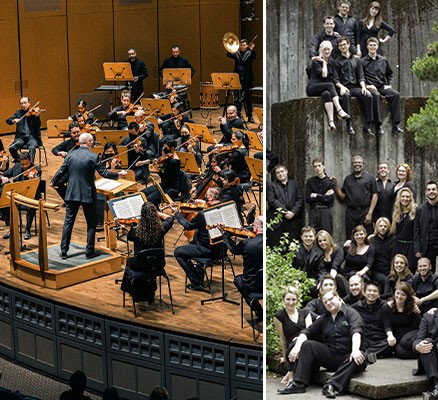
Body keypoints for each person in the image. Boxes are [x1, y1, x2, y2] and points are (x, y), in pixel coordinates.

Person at [277, 289, 367, 397]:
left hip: (349, 356)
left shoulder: (351, 313)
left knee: (358, 357)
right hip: (331, 355)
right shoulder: (324, 318)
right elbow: (308, 331)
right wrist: (297, 346)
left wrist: (355, 350)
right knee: (307, 344)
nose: (328, 303)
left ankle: (332, 385)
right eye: (325, 302)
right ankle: (298, 383)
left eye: (331, 299)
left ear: (338, 297)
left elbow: (356, 331)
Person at [51, 133, 127, 259]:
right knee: (91, 223)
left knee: (68, 223)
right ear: (90, 142)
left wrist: (54, 181)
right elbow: (104, 173)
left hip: (72, 194)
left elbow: (61, 171)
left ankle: (64, 251)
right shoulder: (93, 157)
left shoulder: (70, 155)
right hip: (88, 195)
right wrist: (118, 174)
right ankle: (89, 251)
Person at [122, 202, 173, 304]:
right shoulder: (161, 228)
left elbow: (128, 235)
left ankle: (135, 293)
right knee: (147, 265)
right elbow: (170, 218)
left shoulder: (136, 231)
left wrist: (123, 228)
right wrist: (156, 213)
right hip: (157, 264)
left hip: (140, 264)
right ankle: (149, 293)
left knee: (129, 261)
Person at [172, 187, 222, 290]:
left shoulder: (204, 215)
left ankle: (196, 281)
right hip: (221, 249)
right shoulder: (222, 208)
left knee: (178, 252)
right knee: (195, 238)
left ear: (211, 198)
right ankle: (199, 272)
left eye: (207, 196)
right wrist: (203, 202)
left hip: (206, 249)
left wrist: (176, 214)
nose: (205, 197)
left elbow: (188, 226)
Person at [223, 215, 263, 321]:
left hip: (251, 284)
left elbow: (234, 250)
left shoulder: (247, 244)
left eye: (253, 225)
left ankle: (258, 309)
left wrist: (225, 236)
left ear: (256, 229)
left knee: (237, 280)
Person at [361, 37, 403, 134]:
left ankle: (395, 125)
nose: (372, 47)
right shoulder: (362, 62)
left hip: (382, 86)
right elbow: (361, 76)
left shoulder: (383, 60)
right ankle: (378, 125)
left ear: (377, 46)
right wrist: (367, 85)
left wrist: (388, 84)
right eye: (370, 45)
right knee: (375, 96)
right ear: (367, 47)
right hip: (370, 86)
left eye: (374, 45)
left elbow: (390, 74)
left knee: (396, 95)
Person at [274, 287, 314, 387]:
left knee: (300, 341)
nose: (291, 302)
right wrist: (284, 356)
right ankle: (291, 374)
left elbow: (310, 332)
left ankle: (290, 374)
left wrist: (300, 339)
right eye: (288, 299)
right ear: (283, 300)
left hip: (305, 345)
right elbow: (282, 338)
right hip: (291, 348)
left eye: (293, 299)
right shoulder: (279, 316)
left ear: (297, 300)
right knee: (294, 343)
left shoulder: (305, 313)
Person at [333, 36, 374, 136]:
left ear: (348, 45)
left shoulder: (357, 60)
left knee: (368, 96)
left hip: (355, 87)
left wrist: (363, 87)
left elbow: (361, 76)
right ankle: (349, 124)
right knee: (346, 96)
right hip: (343, 88)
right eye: (341, 45)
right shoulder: (336, 61)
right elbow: (335, 79)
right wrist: (341, 87)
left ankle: (368, 125)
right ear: (338, 47)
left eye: (344, 44)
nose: (343, 47)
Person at [306, 41, 350, 131]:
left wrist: (341, 87)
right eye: (325, 49)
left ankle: (331, 122)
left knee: (327, 94)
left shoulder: (332, 62)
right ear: (321, 50)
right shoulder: (316, 61)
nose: (327, 51)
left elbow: (335, 78)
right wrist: (323, 62)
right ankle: (339, 109)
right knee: (329, 85)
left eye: (328, 49)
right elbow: (324, 75)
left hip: (323, 88)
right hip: (312, 87)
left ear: (331, 50)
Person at [0, 153, 42, 240]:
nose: (25, 166)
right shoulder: (16, 167)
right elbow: (4, 174)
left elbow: (37, 183)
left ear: (30, 161)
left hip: (31, 196)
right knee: (4, 204)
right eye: (22, 164)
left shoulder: (36, 169)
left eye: (26, 163)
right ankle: (12, 228)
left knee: (30, 207)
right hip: (17, 196)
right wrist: (4, 178)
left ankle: (27, 230)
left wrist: (33, 179)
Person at [335, 155, 378, 237]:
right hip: (351, 213)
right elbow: (343, 196)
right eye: (355, 162)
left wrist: (370, 213)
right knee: (350, 236)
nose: (357, 164)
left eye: (359, 162)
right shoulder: (348, 179)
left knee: (367, 236)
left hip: (365, 211)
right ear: (352, 164)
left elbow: (375, 195)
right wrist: (335, 185)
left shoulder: (370, 178)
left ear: (363, 164)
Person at [352, 281, 393, 359]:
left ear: (378, 294)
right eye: (369, 290)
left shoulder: (384, 306)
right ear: (364, 293)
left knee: (389, 344)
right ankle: (371, 354)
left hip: (379, 339)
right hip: (365, 339)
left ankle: (365, 354)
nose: (372, 293)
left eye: (375, 291)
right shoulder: (356, 307)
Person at [267, 164, 304, 247]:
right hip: (279, 221)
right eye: (278, 173)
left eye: (282, 171)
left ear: (286, 172)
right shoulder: (272, 185)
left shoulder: (295, 184)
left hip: (293, 221)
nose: (280, 174)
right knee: (278, 246)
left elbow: (300, 199)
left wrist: (293, 212)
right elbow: (272, 201)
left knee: (293, 245)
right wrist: (286, 212)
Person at [383, 281, 421, 359]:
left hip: (412, 334)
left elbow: (419, 325)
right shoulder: (387, 307)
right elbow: (387, 325)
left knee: (405, 342)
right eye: (397, 293)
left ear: (407, 296)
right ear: (394, 293)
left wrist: (417, 312)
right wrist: (390, 335)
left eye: (403, 294)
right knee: (399, 352)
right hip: (398, 337)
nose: (399, 296)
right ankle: (422, 352)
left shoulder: (412, 306)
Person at [142, 138, 183, 207]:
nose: (164, 149)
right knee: (143, 193)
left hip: (171, 187)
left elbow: (166, 178)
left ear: (172, 148)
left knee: (150, 199)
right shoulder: (168, 156)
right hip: (165, 184)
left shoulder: (174, 162)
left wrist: (158, 170)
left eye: (166, 147)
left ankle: (155, 214)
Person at [226, 38, 256, 123]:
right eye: (241, 45)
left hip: (247, 78)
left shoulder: (250, 52)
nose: (243, 47)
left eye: (244, 45)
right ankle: (237, 115)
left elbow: (252, 57)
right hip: (237, 78)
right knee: (237, 98)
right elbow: (228, 54)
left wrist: (251, 50)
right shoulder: (236, 53)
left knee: (248, 98)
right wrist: (231, 46)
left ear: (247, 45)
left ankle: (249, 116)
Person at [6, 97, 42, 164]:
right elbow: (8, 120)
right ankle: (20, 161)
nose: (23, 105)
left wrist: (37, 116)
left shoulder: (34, 113)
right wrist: (13, 120)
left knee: (32, 147)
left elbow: (38, 125)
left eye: (25, 103)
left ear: (29, 103)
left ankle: (30, 166)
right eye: (21, 103)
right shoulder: (18, 113)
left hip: (32, 137)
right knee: (11, 147)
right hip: (21, 138)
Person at [305, 158, 336, 234]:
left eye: (319, 165)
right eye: (315, 166)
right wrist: (324, 196)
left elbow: (330, 200)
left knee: (326, 234)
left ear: (324, 166)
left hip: (325, 211)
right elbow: (308, 198)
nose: (317, 168)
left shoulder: (331, 181)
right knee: (312, 233)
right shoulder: (310, 181)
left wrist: (316, 195)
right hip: (314, 211)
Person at [413, 308, 438, 397]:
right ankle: (436, 385)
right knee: (426, 342)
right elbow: (419, 338)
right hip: (433, 356)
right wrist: (417, 346)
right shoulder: (428, 316)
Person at [316, 230, 349, 297]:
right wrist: (322, 281)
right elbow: (321, 270)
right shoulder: (318, 253)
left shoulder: (338, 250)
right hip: (323, 276)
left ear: (329, 239)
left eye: (325, 240)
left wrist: (330, 281)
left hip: (337, 275)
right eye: (320, 241)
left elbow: (335, 266)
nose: (322, 243)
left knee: (338, 278)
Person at [390, 187, 416, 272]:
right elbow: (392, 231)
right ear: (399, 198)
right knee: (397, 269)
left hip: (411, 246)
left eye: (407, 197)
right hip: (398, 245)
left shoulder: (415, 211)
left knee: (410, 269)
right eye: (403, 196)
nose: (405, 199)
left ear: (410, 198)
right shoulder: (396, 211)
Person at [293, 227, 324, 296]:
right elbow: (291, 268)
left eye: (310, 236)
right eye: (306, 236)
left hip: (314, 283)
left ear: (314, 237)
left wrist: (320, 282)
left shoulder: (319, 252)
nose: (308, 238)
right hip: (298, 282)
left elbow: (321, 270)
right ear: (301, 237)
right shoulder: (295, 250)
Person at [414, 181, 438, 272]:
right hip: (427, 247)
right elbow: (416, 230)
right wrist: (417, 249)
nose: (431, 191)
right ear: (426, 192)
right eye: (429, 190)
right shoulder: (420, 209)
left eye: (433, 189)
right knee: (429, 273)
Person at [369, 217, 394, 290]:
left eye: (385, 226)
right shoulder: (371, 240)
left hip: (390, 270)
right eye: (380, 226)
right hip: (377, 271)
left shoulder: (392, 239)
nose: (383, 228)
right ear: (377, 227)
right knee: (385, 280)